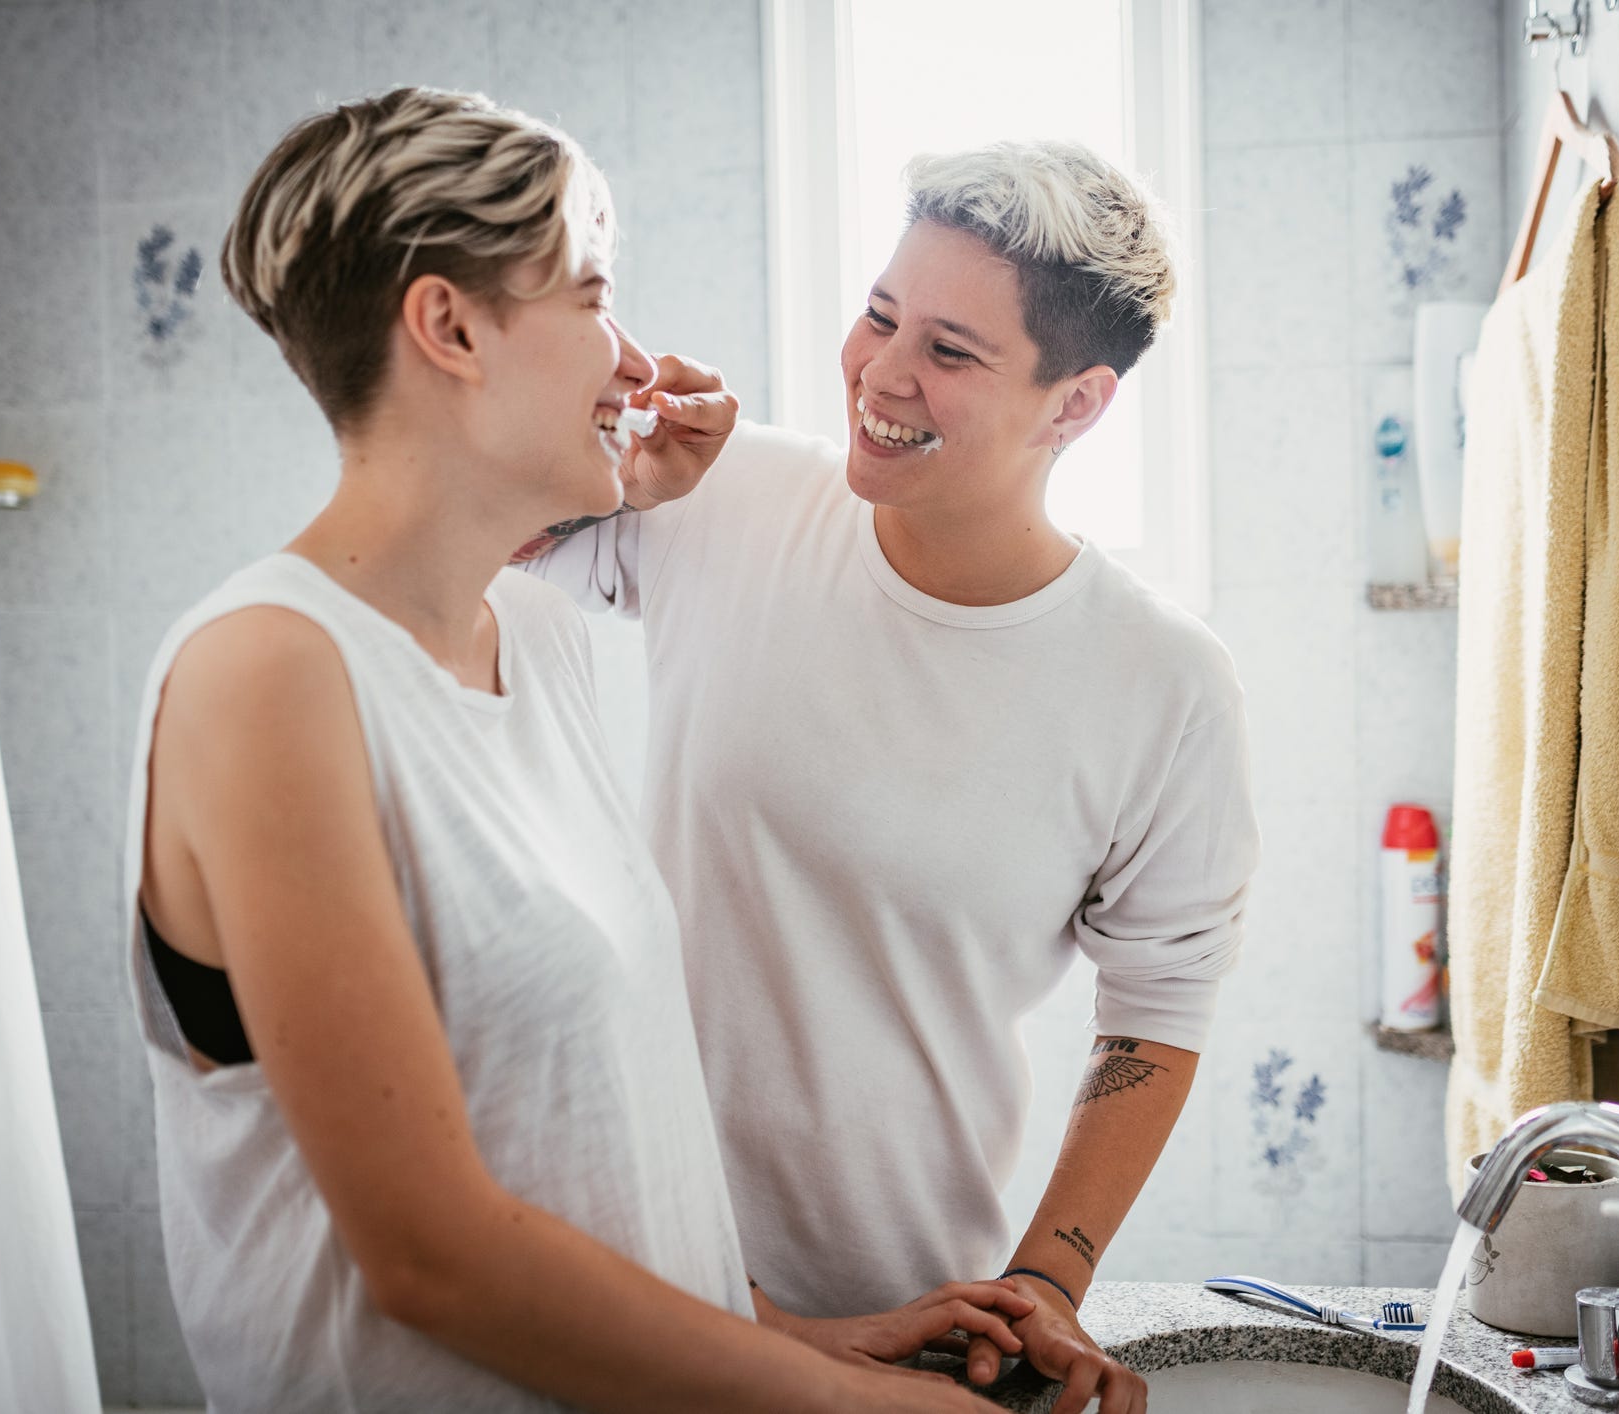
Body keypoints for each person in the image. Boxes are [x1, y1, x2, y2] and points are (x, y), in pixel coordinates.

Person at [126, 87, 1032, 1414]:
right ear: (448, 325)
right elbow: (437, 1258)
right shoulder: (264, 673)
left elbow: (572, 1141)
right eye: (594, 296)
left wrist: (804, 1337)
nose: (633, 357)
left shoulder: (536, 641)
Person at [520, 138, 1260, 1414]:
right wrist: (584, 463)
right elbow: (454, 571)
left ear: (1075, 403)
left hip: (915, 1310)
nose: (882, 372)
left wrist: (1045, 1285)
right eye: (878, 317)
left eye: (950, 352)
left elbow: (1158, 1007)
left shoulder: (1163, 685)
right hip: (637, 1273)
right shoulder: (722, 495)